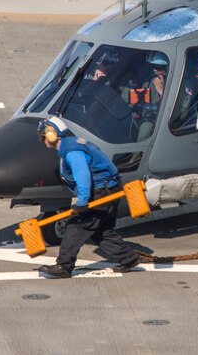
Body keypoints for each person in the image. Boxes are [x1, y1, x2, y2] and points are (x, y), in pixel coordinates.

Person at [34, 116, 141, 278]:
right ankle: (129, 258)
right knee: (100, 231)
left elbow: (82, 175)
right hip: (109, 188)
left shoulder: (72, 151)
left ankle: (64, 266)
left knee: (77, 226)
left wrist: (83, 202)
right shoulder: (73, 144)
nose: (43, 140)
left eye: (43, 136)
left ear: (51, 135)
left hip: (101, 192)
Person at [132, 51, 169, 141]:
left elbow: (176, 111)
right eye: (152, 66)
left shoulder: (175, 83)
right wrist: (135, 108)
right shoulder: (150, 80)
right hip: (145, 114)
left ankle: (137, 154)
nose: (154, 70)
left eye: (157, 67)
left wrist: (161, 92)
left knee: (146, 127)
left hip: (160, 121)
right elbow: (138, 99)